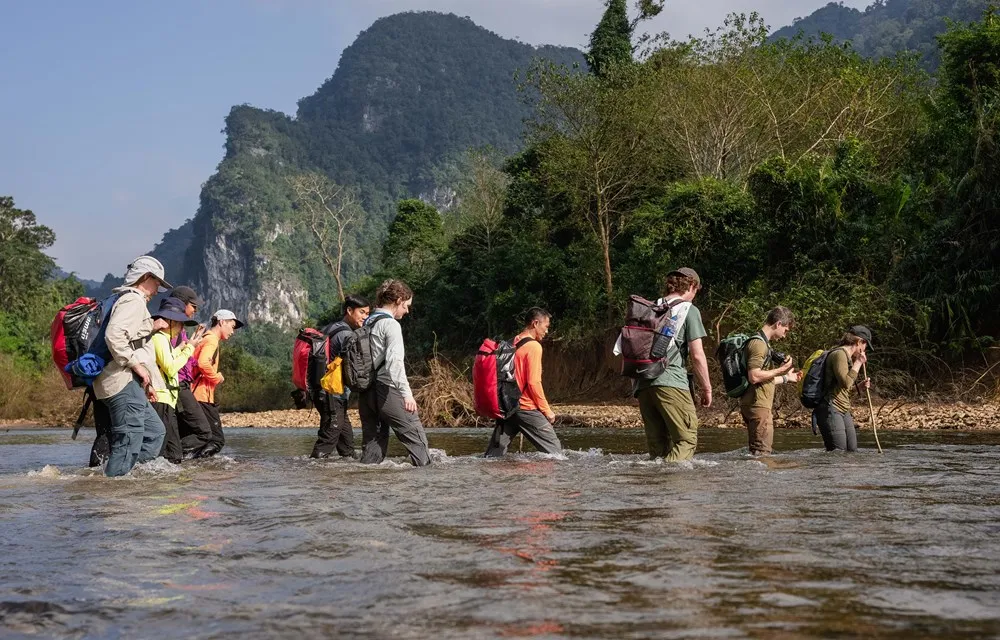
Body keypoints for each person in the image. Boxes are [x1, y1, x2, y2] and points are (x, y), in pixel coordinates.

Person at [94, 256, 171, 477]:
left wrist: (146, 379)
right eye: (157, 283)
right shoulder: (132, 300)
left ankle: (124, 476)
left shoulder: (126, 300)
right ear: (146, 277)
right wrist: (136, 366)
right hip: (120, 380)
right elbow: (115, 336)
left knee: (155, 433)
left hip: (128, 382)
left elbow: (134, 341)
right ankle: (114, 494)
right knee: (128, 438)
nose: (158, 289)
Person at [633, 267, 712, 462]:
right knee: (686, 440)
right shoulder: (688, 310)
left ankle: (657, 487)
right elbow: (697, 354)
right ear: (692, 285)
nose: (695, 296)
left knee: (658, 448)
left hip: (643, 384)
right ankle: (674, 485)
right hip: (671, 382)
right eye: (696, 291)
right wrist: (707, 388)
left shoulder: (649, 308)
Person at [358, 280, 432, 467]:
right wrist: (407, 395)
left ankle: (364, 488)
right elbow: (395, 364)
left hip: (366, 393)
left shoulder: (367, 321)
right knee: (417, 441)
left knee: (372, 448)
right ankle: (427, 483)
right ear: (398, 300)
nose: (407, 311)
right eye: (406, 306)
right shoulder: (391, 325)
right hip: (387, 391)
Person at [484, 308, 563, 457]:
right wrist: (547, 411)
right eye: (546, 327)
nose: (547, 331)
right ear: (535, 323)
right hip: (525, 408)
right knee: (556, 455)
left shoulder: (513, 342)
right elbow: (533, 382)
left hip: (507, 408)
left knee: (492, 457)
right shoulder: (534, 346)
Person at [310, 294, 371, 459]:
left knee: (346, 440)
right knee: (331, 432)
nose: (365, 317)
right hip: (332, 393)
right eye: (362, 313)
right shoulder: (347, 335)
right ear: (349, 311)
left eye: (367, 314)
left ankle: (348, 466)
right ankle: (313, 468)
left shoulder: (330, 328)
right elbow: (355, 369)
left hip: (322, 391)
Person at [150, 297, 204, 464]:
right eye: (180, 323)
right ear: (170, 322)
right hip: (161, 398)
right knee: (167, 452)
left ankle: (167, 485)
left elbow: (170, 358)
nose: (181, 327)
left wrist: (186, 346)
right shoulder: (159, 338)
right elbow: (170, 367)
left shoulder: (165, 340)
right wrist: (190, 348)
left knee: (172, 453)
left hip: (168, 400)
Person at [740, 307, 799, 456]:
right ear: (778, 324)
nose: (785, 336)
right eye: (786, 330)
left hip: (756, 404)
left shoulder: (763, 343)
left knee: (758, 453)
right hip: (758, 406)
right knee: (762, 454)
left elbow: (763, 379)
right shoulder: (759, 344)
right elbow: (754, 376)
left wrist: (787, 378)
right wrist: (781, 370)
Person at [190, 309, 244, 458]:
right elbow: (203, 363)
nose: (233, 332)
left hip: (197, 394)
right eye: (232, 326)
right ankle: (197, 467)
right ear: (222, 322)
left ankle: (193, 466)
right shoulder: (211, 340)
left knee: (203, 436)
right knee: (217, 440)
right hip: (201, 395)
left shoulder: (206, 338)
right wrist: (217, 377)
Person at [169, 286, 215, 457]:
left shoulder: (179, 329)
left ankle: (172, 457)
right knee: (204, 432)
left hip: (182, 385)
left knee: (178, 428)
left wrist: (193, 343)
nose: (195, 311)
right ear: (182, 304)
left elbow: (187, 359)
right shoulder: (171, 329)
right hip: (178, 386)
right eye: (193, 307)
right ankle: (173, 456)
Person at [817, 326, 872, 452]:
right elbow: (846, 383)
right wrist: (858, 363)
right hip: (831, 408)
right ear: (859, 342)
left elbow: (843, 388)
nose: (865, 350)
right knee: (838, 453)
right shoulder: (839, 354)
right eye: (865, 346)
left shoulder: (846, 357)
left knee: (852, 451)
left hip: (843, 409)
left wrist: (859, 387)